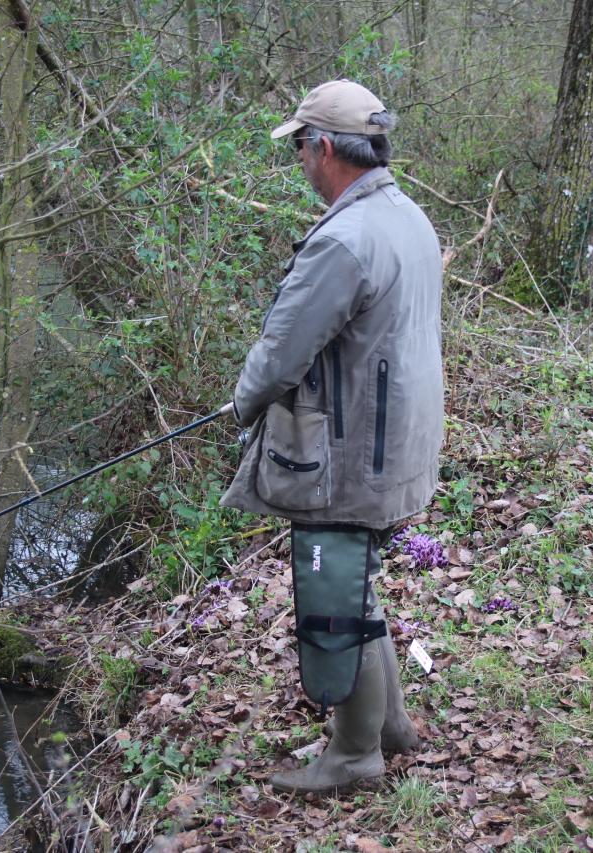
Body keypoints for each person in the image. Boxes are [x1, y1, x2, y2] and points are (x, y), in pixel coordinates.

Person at [220, 79, 444, 794]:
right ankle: (391, 727)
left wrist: (239, 405)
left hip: (352, 455)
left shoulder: (344, 239)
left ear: (323, 147)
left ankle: (354, 756)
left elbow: (280, 353)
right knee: (359, 587)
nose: (299, 163)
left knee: (336, 595)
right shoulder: (406, 214)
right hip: (398, 442)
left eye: (299, 148)